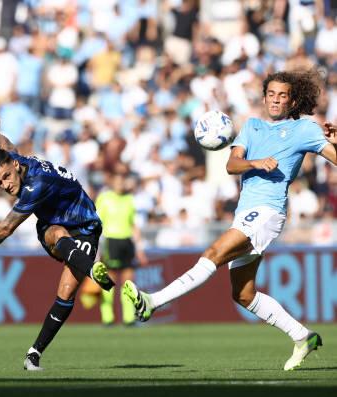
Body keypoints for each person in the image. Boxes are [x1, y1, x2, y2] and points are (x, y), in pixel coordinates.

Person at [124, 70, 337, 371]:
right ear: (264, 98)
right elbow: (231, 164)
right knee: (243, 294)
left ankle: (152, 302)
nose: (276, 100)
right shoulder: (251, 126)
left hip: (268, 212)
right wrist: (255, 163)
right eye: (272, 94)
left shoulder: (305, 129)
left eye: (283, 95)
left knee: (212, 254)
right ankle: (302, 336)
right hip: (245, 212)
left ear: (293, 100)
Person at [0, 115, 114, 371]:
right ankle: (93, 269)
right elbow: (8, 147)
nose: (5, 185)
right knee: (58, 233)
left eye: (6, 177)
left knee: (66, 293)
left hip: (85, 227)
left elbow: (6, 228)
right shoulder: (18, 161)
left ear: (15, 166)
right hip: (54, 226)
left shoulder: (37, 184)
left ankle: (33, 354)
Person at [94, 172, 147, 326]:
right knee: (109, 280)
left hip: (127, 242)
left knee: (128, 281)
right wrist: (96, 249)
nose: (120, 183)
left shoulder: (130, 199)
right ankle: (107, 317)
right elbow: (97, 223)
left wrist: (140, 249)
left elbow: (133, 225)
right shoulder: (105, 198)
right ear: (111, 182)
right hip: (111, 241)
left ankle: (129, 318)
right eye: (117, 181)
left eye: (122, 180)